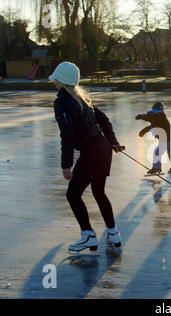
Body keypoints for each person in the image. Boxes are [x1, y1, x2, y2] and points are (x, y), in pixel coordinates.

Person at [50, 61, 125, 253]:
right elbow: (104, 120)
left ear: (60, 80)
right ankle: (113, 233)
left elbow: (67, 135)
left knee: (72, 195)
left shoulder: (62, 102)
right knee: (99, 192)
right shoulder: (82, 98)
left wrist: (66, 165)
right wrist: (113, 142)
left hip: (92, 152)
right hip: (103, 148)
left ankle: (88, 236)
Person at [135, 102, 171, 175]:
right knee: (170, 153)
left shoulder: (160, 116)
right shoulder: (158, 117)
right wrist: (143, 131)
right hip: (170, 137)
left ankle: (157, 168)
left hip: (168, 138)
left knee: (158, 152)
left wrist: (142, 117)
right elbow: (152, 124)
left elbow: (152, 119)